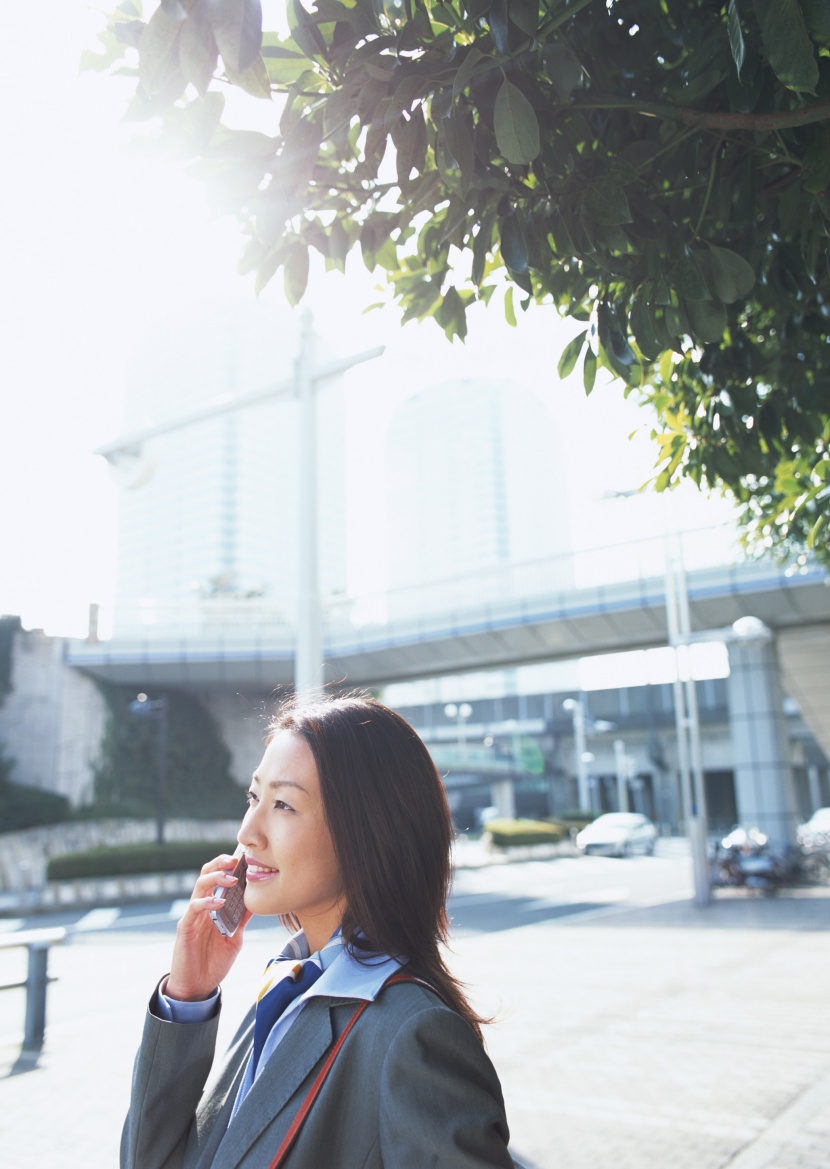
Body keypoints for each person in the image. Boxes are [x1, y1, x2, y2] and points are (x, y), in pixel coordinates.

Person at [121, 694, 514, 1168]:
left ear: (368, 831)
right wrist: (187, 996)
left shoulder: (414, 1034)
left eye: (283, 804)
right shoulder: (286, 991)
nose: (249, 831)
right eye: (254, 797)